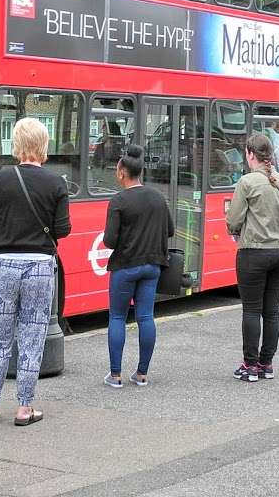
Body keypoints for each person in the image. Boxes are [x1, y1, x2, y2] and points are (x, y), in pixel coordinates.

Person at [0, 117, 71, 426]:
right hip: (39, 266)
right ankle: (24, 409)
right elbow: (63, 230)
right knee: (32, 338)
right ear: (44, 147)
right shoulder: (56, 183)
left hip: (3, 264)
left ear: (16, 146)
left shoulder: (0, 178)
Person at [102, 145, 174, 388]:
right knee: (145, 317)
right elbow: (170, 231)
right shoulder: (158, 197)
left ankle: (115, 375)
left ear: (123, 172)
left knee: (118, 317)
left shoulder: (119, 201)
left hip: (125, 267)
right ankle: (142, 374)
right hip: (152, 267)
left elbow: (110, 241)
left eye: (117, 169)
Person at [225, 133, 279, 382]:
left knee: (251, 310)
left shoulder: (247, 182)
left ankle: (249, 365)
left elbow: (234, 219)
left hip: (254, 252)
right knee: (272, 311)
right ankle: (267, 364)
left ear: (250, 154)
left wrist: (234, 231)